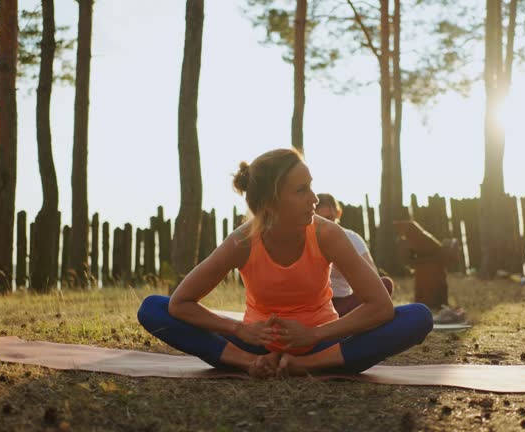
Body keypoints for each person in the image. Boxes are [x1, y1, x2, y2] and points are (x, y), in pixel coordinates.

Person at [137, 148, 433, 378]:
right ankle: (252, 364)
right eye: (301, 190)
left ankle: (303, 365)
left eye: (311, 187)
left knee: (418, 317)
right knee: (153, 308)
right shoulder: (241, 242)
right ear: (270, 203)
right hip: (254, 344)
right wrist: (238, 330)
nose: (314, 199)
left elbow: (380, 306)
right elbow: (180, 304)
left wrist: (314, 334)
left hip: (322, 343)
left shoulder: (328, 234)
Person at [314, 193, 394, 317]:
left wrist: (346, 263)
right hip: (315, 304)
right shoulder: (305, 240)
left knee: (384, 285)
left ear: (338, 214)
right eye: (322, 220)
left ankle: (340, 321)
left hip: (343, 302)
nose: (326, 224)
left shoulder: (351, 238)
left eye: (330, 219)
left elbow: (374, 279)